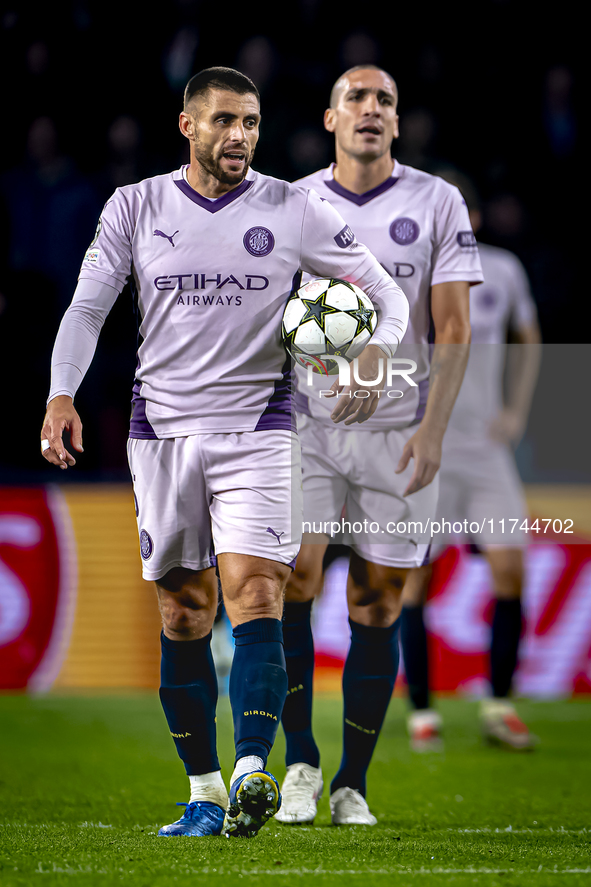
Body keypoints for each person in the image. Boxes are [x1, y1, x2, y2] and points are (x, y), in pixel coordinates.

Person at [39, 67, 410, 839]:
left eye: (250, 121)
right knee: (183, 610)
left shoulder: (291, 207)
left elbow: (387, 294)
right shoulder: (136, 206)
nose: (239, 135)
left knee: (256, 593)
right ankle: (203, 789)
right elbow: (87, 306)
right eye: (224, 121)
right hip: (163, 434)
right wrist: (61, 394)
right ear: (188, 127)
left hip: (261, 431)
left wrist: (373, 354)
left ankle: (250, 766)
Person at [276, 66, 482, 827]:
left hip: (400, 435)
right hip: (307, 428)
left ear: (396, 123)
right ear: (330, 120)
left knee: (377, 598)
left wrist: (432, 433)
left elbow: (454, 329)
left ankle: (350, 783)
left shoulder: (436, 201)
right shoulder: (291, 201)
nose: (370, 110)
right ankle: (300, 760)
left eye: (383, 102)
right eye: (355, 100)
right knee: (295, 573)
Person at [400, 172, 541, 752]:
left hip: (485, 449)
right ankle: (422, 715)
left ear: (474, 219)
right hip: (426, 444)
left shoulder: (503, 269)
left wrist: (516, 410)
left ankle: (499, 706)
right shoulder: (406, 269)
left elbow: (529, 339)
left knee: (512, 571)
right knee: (417, 580)